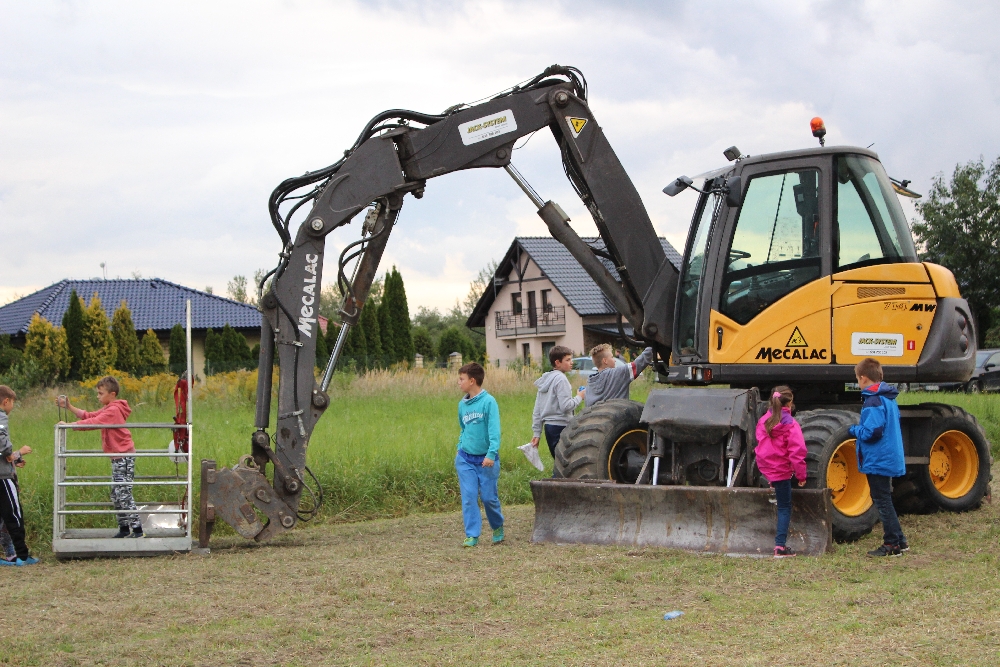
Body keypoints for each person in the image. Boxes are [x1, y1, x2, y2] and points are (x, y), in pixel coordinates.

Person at [58, 377, 143, 538]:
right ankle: (124, 528)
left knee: (123, 492)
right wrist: (69, 407)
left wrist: (70, 425)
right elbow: (89, 415)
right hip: (117, 457)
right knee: (116, 494)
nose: (97, 396)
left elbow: (94, 422)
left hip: (123, 456)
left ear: (112, 394)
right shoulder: (109, 408)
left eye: (100, 393)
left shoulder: (113, 410)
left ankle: (137, 530)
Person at [850, 358, 908, 557]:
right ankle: (900, 540)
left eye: (857, 379)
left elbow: (872, 432)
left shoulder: (873, 400)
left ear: (863, 378)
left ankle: (892, 543)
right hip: (887, 456)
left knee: (882, 501)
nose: (858, 383)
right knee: (885, 499)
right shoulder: (888, 398)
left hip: (878, 459)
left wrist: (853, 430)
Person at [754, 385, 808, 558]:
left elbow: (762, 446)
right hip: (782, 472)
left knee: (780, 502)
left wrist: (769, 474)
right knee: (784, 507)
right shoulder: (790, 424)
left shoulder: (764, 421)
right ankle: (780, 546)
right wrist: (801, 475)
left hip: (768, 470)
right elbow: (797, 452)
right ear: (790, 403)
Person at [454, 362, 504, 547]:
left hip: (486, 460)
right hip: (465, 459)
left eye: (461, 379)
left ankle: (497, 526)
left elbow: (494, 431)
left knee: (489, 498)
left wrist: (491, 454)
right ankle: (472, 535)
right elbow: (463, 429)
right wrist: (460, 447)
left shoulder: (489, 402)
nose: (459, 382)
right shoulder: (462, 405)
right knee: (469, 498)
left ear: (472, 381)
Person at [0, 385, 38, 566]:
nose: (12, 407)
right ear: (6, 401)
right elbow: (1, 440)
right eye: (12, 403)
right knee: (14, 515)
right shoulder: (1, 416)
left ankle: (9, 555)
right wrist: (10, 452)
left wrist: (14, 459)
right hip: (3, 478)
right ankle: (22, 555)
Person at [530, 345, 585, 468]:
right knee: (567, 465)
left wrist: (537, 433)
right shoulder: (561, 379)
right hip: (561, 427)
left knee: (560, 462)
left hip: (549, 428)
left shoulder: (545, 380)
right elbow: (566, 406)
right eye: (568, 360)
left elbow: (537, 409)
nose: (571, 362)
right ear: (557, 362)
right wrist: (580, 396)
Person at [584, 344, 655, 408]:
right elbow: (640, 362)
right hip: (616, 417)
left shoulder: (589, 384)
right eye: (612, 357)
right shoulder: (617, 373)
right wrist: (653, 345)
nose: (614, 360)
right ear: (605, 361)